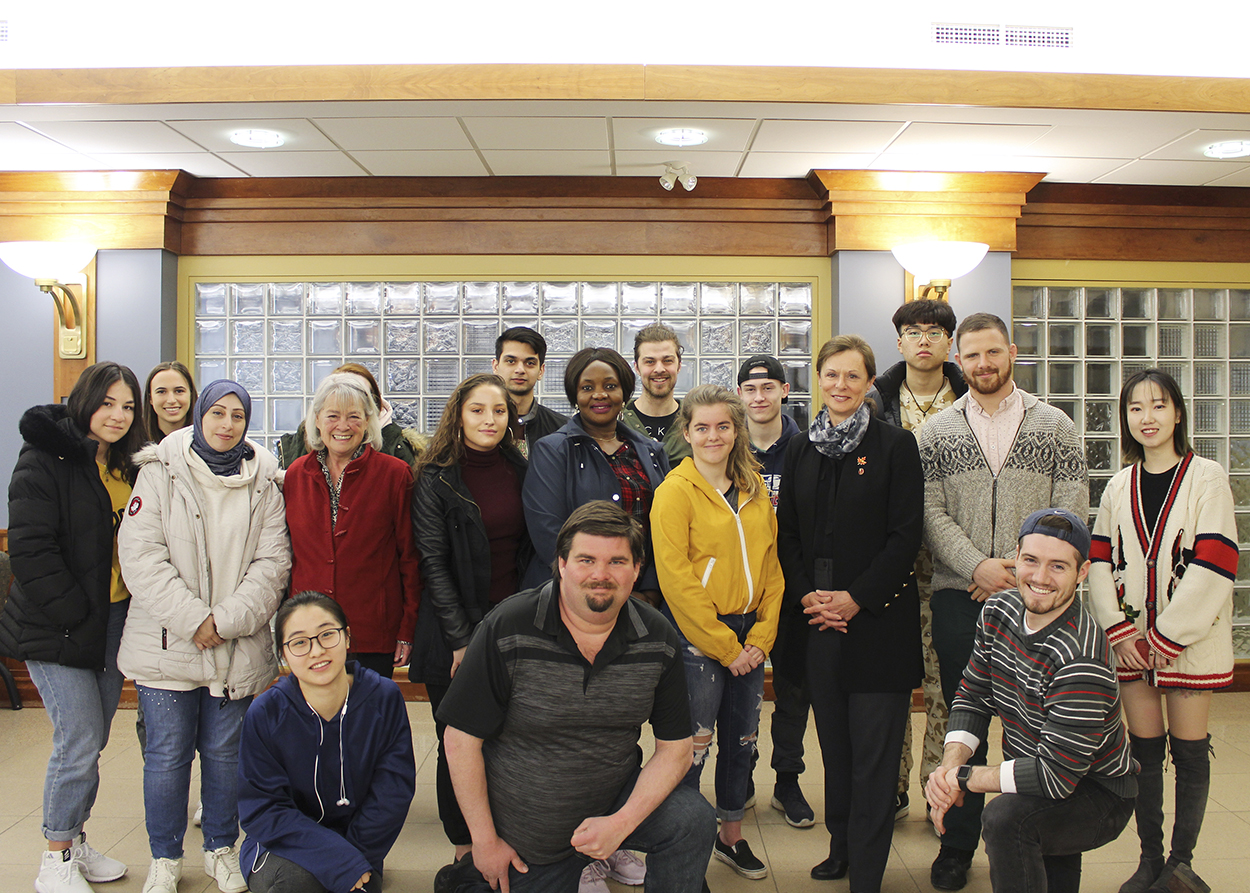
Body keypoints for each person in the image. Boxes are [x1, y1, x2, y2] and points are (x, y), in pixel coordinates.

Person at [434, 501, 717, 893]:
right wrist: (484, 842)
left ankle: (605, 858)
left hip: (611, 802)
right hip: (528, 835)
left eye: (617, 562)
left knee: (693, 819)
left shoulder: (657, 636)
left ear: (637, 570)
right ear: (562, 564)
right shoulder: (508, 626)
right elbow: (460, 740)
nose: (601, 575)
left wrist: (620, 824)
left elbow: (676, 751)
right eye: (586, 560)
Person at [917, 312, 1088, 892]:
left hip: (1040, 600)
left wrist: (1019, 573)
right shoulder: (936, 433)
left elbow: (1070, 511)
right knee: (962, 716)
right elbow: (929, 511)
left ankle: (1034, 839)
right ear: (957, 360)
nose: (983, 364)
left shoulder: (1056, 426)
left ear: (1012, 352)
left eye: (993, 352)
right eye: (972, 355)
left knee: (1034, 725)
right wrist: (978, 567)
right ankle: (956, 845)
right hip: (959, 595)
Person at [118, 379, 291, 893]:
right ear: (199, 415)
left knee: (225, 756)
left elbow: (273, 563)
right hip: (168, 642)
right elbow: (141, 556)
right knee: (167, 757)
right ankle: (165, 857)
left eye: (238, 415)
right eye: (217, 412)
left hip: (236, 644)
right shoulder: (160, 471)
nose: (226, 424)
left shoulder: (265, 480)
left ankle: (221, 848)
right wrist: (194, 619)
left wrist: (226, 620)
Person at [776, 335, 923, 893]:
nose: (840, 385)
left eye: (852, 376)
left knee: (873, 757)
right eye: (831, 375)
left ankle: (867, 868)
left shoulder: (895, 446)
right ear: (819, 379)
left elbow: (905, 537)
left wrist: (856, 598)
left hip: (877, 623)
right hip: (818, 622)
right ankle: (840, 846)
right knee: (835, 750)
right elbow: (787, 533)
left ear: (868, 383)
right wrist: (808, 596)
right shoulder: (800, 448)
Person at [925, 509, 1137, 893]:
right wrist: (950, 764)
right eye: (1031, 560)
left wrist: (963, 779)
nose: (1040, 577)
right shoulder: (998, 611)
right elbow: (973, 695)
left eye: (1058, 566)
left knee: (1007, 818)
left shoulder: (1081, 656)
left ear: (1082, 572)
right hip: (1040, 769)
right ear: (1017, 557)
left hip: (1096, 792)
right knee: (1048, 865)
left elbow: (1054, 777)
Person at [1089, 369, 1237, 893]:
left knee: (1190, 751)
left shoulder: (1207, 477)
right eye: (1135, 408)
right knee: (1144, 754)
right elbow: (1100, 561)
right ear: (1125, 418)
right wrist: (1120, 631)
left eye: (1158, 405)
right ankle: (1150, 860)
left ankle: (1182, 864)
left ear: (1177, 413)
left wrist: (1165, 637)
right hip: (1132, 645)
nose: (1146, 417)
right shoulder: (1118, 485)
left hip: (1187, 645)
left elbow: (1215, 561)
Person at [0, 362, 144, 893]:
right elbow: (30, 549)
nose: (118, 415)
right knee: (78, 739)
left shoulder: (126, 464)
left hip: (112, 620)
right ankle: (55, 858)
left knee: (94, 738)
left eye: (128, 406)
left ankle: (76, 840)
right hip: (59, 625)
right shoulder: (44, 457)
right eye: (107, 403)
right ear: (84, 401)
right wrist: (75, 613)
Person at [652, 385, 784, 880]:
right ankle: (683, 845)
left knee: (742, 739)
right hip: (699, 637)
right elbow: (676, 580)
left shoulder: (754, 488)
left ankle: (730, 836)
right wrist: (727, 648)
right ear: (686, 433)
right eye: (702, 427)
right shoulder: (674, 492)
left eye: (723, 426)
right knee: (693, 746)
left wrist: (761, 638)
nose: (713, 436)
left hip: (751, 635)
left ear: (736, 431)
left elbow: (772, 567)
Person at [410, 373, 531, 865]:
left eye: (499, 411)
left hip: (512, 624)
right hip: (452, 630)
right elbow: (433, 563)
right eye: (478, 410)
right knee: (458, 743)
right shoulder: (434, 476)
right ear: (458, 415)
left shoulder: (521, 468)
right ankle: (465, 848)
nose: (489, 420)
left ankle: (508, 836)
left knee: (510, 739)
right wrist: (462, 639)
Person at [238, 591, 416, 893]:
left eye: (327, 635)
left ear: (347, 637)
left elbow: (392, 793)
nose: (317, 651)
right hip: (282, 843)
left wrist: (352, 858)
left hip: (358, 846)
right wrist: (336, 859)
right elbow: (263, 808)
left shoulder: (383, 698)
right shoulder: (266, 712)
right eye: (299, 642)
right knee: (298, 883)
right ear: (283, 654)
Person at [866, 299, 967, 821]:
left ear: (950, 342)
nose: (923, 340)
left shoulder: (972, 401)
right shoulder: (872, 402)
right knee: (890, 680)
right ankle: (893, 783)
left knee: (944, 679)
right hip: (889, 560)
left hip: (950, 561)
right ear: (899, 341)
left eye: (934, 331)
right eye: (913, 331)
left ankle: (937, 784)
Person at [283, 373, 422, 679]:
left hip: (373, 631)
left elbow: (411, 558)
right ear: (317, 420)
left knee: (369, 708)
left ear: (369, 421)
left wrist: (407, 629)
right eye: (332, 416)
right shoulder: (295, 475)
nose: (343, 426)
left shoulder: (395, 475)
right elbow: (287, 555)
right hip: (310, 632)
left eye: (354, 417)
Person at [521, 345, 670, 602]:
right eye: (587, 387)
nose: (599, 395)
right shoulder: (553, 450)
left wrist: (651, 591)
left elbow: (667, 529)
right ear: (575, 395)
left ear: (624, 392)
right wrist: (602, 585)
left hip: (645, 597)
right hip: (574, 596)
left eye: (610, 386)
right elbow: (548, 533)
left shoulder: (652, 452)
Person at [736, 354, 814, 829]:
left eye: (768, 387)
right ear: (740, 394)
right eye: (750, 388)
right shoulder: (727, 446)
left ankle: (787, 779)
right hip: (742, 589)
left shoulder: (807, 447)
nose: (759, 397)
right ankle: (740, 775)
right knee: (742, 688)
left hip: (793, 586)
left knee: (792, 689)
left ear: (785, 391)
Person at [278, 362, 417, 469]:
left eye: (359, 393)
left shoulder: (397, 457)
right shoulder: (298, 454)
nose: (343, 426)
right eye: (333, 415)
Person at [620, 323, 692, 465]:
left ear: (679, 365)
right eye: (650, 362)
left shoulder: (693, 419)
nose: (659, 369)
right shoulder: (619, 421)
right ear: (637, 367)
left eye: (667, 361)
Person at [492, 326, 568, 457]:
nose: (520, 370)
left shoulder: (562, 429)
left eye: (530, 363)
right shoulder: (479, 425)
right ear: (496, 366)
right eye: (511, 361)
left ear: (541, 371)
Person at [143, 361, 199, 443]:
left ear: (191, 394)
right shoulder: (135, 444)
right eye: (161, 392)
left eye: (179, 391)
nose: (171, 400)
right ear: (150, 398)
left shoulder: (209, 442)